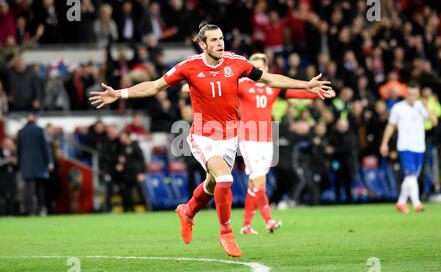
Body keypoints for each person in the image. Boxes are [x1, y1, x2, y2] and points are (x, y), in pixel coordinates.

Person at [90, 22, 332, 257]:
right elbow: (155, 86)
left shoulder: (236, 63)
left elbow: (269, 79)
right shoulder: (189, 66)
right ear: (203, 45)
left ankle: (187, 212)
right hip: (203, 136)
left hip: (229, 137)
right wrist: (120, 93)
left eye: (222, 39)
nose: (220, 43)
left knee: (212, 184)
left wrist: (306, 86)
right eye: (214, 40)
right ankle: (226, 232)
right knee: (225, 177)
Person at [237, 53, 335, 235]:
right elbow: (220, 90)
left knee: (255, 184)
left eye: (260, 67)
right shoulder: (241, 84)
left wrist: (318, 93)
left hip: (267, 138)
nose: (256, 70)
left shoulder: (271, 86)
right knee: (260, 180)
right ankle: (268, 221)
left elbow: (294, 92)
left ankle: (246, 226)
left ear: (266, 69)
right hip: (248, 138)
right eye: (253, 67)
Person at [380, 83, 437, 213]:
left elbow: (434, 121)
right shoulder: (398, 108)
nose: (412, 97)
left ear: (418, 95)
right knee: (411, 176)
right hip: (405, 147)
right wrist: (384, 143)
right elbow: (390, 126)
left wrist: (426, 107)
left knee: (411, 178)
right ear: (406, 94)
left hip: (420, 147)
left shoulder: (420, 106)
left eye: (415, 95)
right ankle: (417, 204)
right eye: (410, 94)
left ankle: (401, 202)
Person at [17, 113, 53, 216]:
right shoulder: (40, 131)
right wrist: (49, 162)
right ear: (35, 120)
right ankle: (41, 208)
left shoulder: (21, 132)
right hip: (39, 162)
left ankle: (31, 210)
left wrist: (20, 163)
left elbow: (19, 149)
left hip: (26, 163)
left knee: (28, 187)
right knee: (40, 187)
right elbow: (46, 148)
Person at [0, 137, 18, 215]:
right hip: (2, 176)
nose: (9, 146)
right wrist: (7, 161)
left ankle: (11, 214)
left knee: (12, 196)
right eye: (7, 144)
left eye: (11, 144)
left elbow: (18, 167)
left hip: (12, 176)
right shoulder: (0, 152)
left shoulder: (14, 153)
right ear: (3, 144)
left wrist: (14, 162)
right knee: (3, 196)